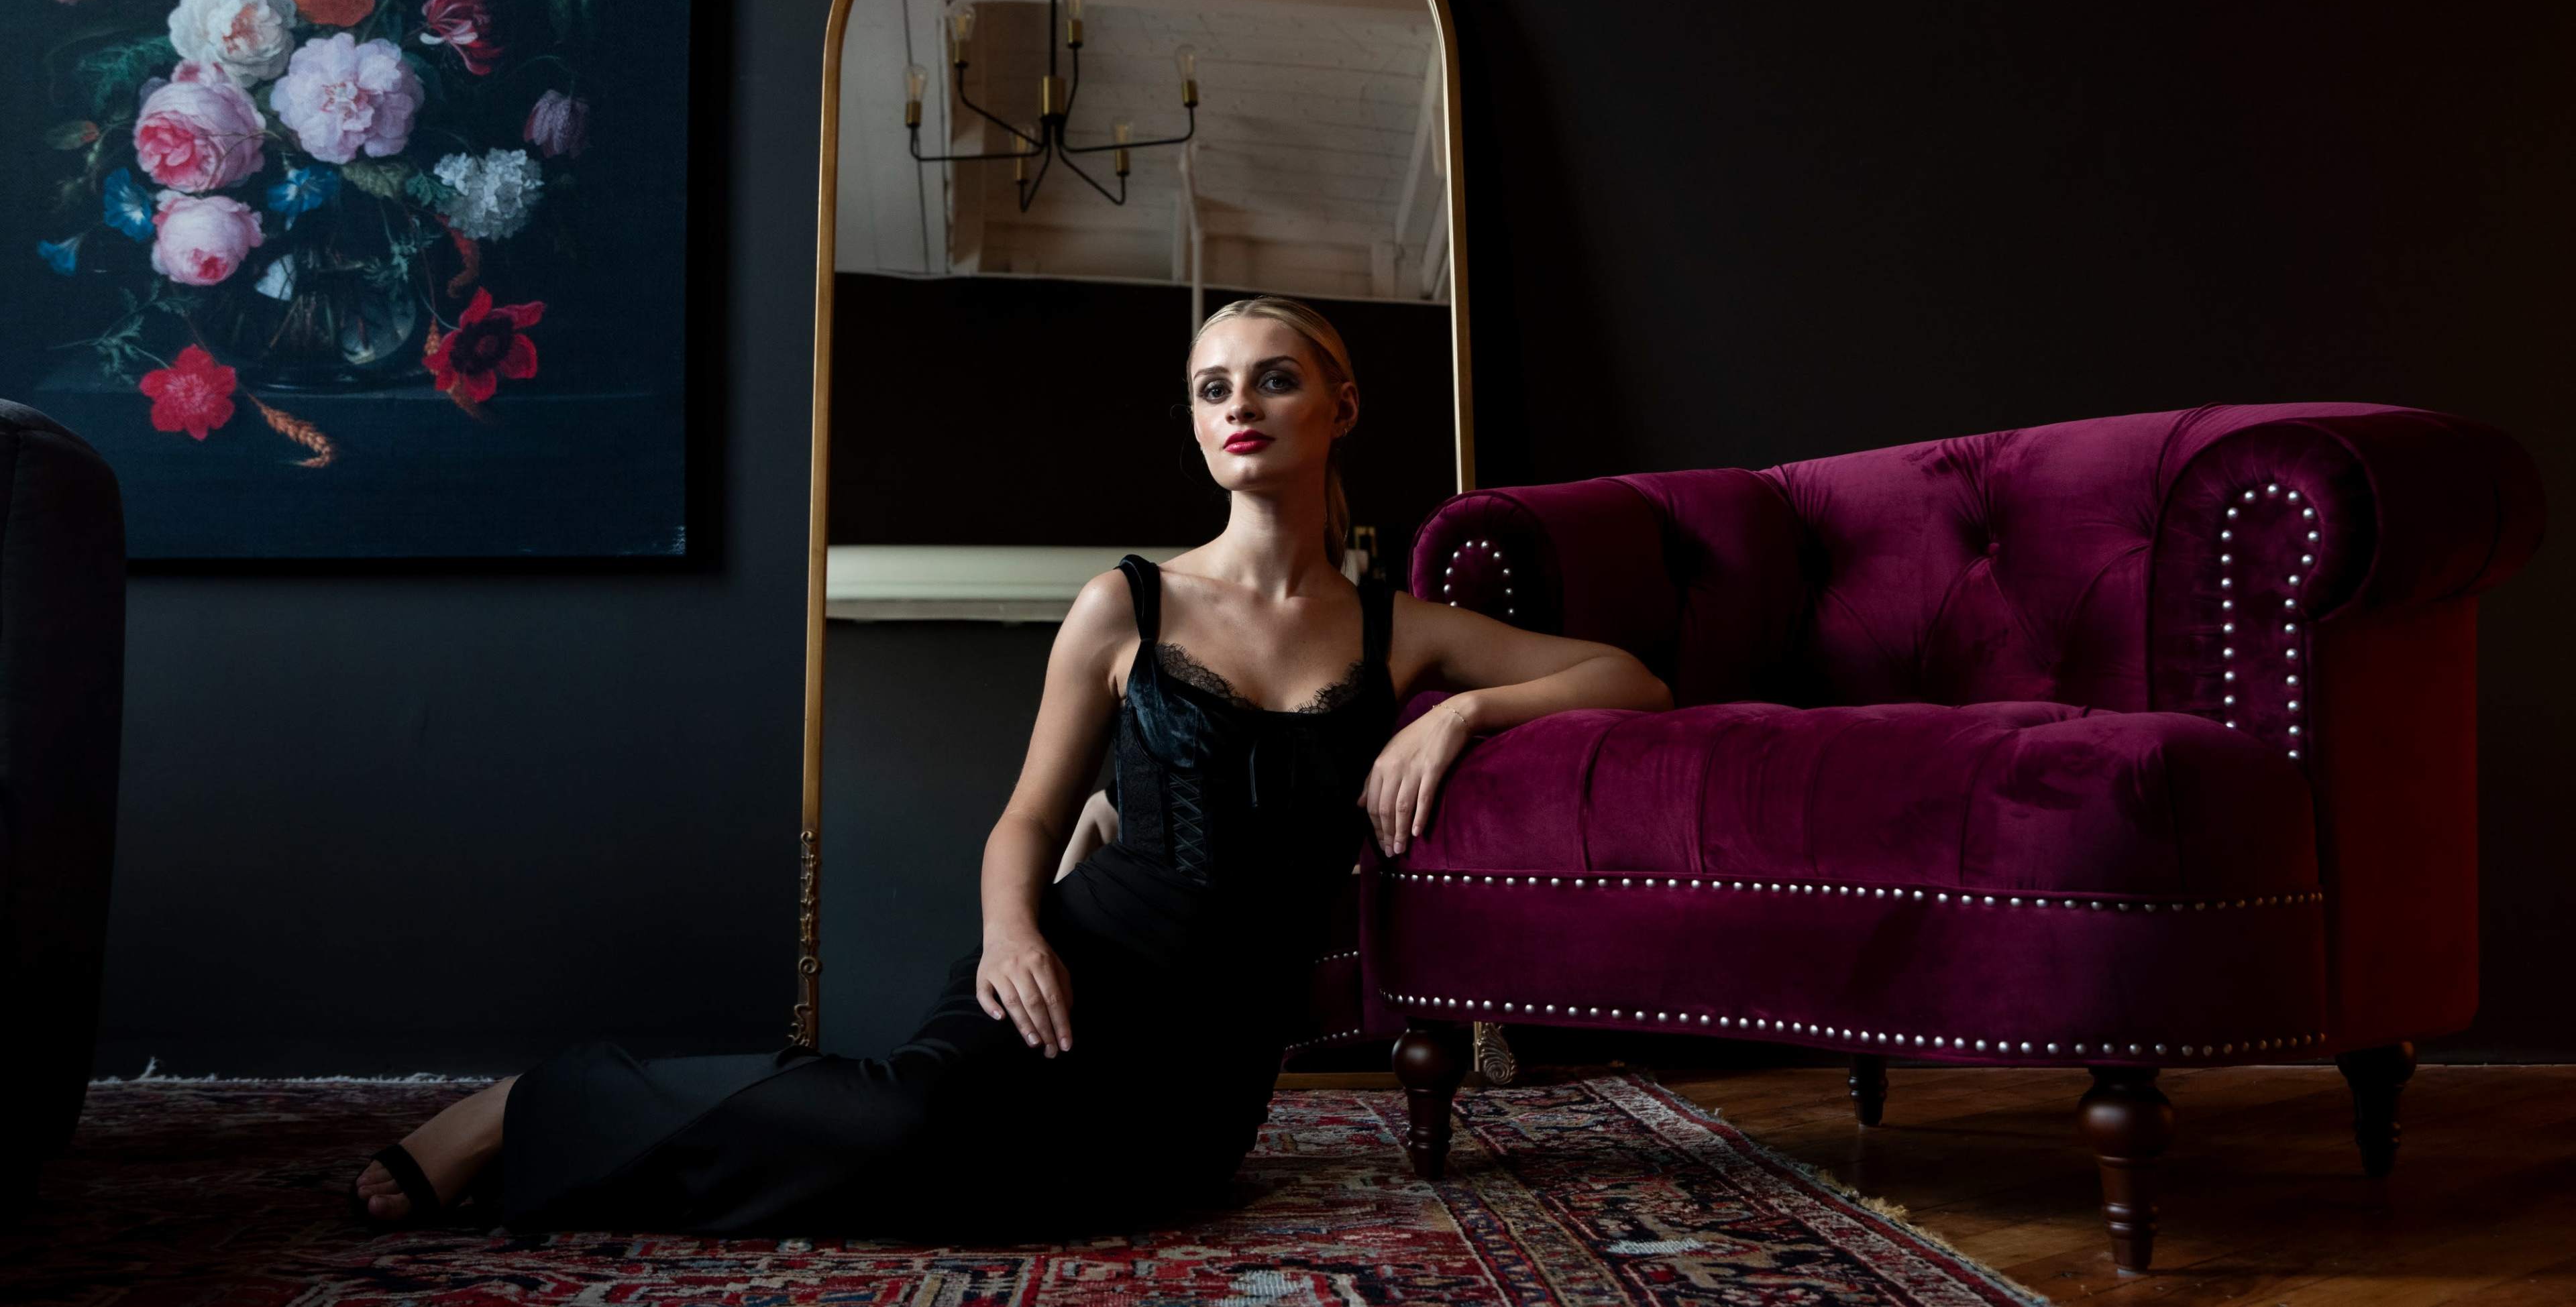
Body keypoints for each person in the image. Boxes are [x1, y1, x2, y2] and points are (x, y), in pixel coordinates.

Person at [346, 294, 1673, 1238]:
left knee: (1122, 1201)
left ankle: (626, 1139)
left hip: (1211, 1060)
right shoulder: (1128, 603)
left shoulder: (1400, 631)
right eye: (1212, 388)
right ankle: (530, 1110)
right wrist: (1010, 936)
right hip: (1074, 976)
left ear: (1343, 404)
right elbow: (1028, 819)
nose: (1239, 406)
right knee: (905, 1129)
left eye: (1273, 378)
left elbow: (1631, 677)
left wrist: (1458, 713)